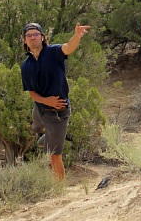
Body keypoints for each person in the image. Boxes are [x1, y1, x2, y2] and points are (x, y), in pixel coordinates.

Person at [20, 21, 90, 181]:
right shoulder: (26, 65)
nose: (32, 38)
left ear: (43, 37)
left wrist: (76, 36)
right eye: (28, 35)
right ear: (25, 40)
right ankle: (46, 136)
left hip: (57, 112)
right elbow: (31, 92)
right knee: (36, 126)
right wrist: (46, 101)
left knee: (53, 156)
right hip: (40, 110)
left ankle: (59, 190)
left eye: (36, 34)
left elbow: (68, 47)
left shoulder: (52, 52)